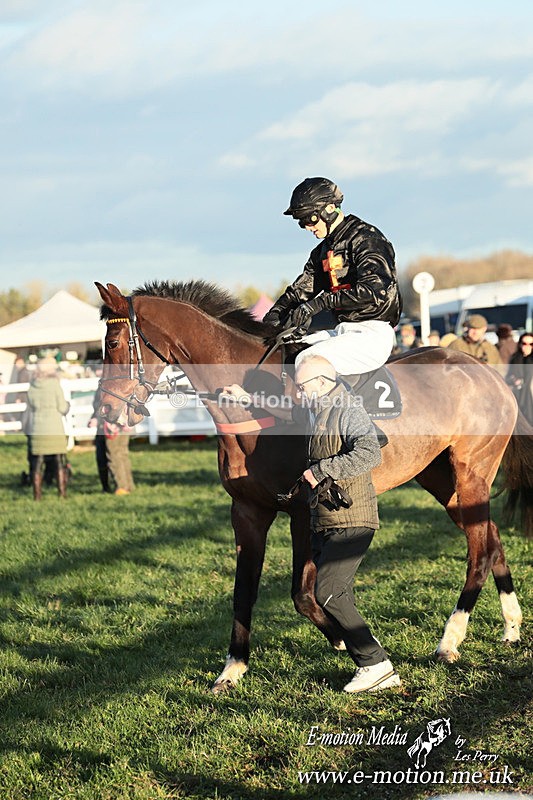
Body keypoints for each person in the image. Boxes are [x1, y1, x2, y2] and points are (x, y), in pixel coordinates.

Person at [222, 354, 401, 693]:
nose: (299, 392)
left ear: (322, 382)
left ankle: (376, 664)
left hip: (352, 517)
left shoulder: (348, 410)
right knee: (335, 592)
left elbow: (370, 452)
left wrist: (319, 471)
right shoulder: (317, 408)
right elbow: (288, 411)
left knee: (327, 592)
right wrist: (248, 400)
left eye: (302, 386)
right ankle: (368, 652)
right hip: (328, 517)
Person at [263, 177, 402, 376]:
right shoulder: (322, 251)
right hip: (343, 331)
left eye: (309, 219)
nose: (306, 227)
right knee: (287, 353)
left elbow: (374, 291)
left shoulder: (367, 238)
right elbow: (300, 292)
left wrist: (319, 304)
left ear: (329, 209)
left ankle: (347, 408)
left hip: (372, 333)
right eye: (300, 222)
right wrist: (274, 316)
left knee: (306, 361)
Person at [26, 356, 70, 500]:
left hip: (37, 428)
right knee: (58, 461)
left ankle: (37, 496)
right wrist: (68, 405)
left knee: (37, 463)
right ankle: (62, 493)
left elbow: (30, 407)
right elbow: (62, 407)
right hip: (54, 428)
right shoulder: (54, 384)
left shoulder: (32, 386)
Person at [89, 390, 135, 495]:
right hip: (111, 425)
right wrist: (95, 418)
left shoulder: (111, 383)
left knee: (115, 455)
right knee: (120, 455)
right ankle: (127, 485)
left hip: (114, 426)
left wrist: (116, 422)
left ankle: (122, 487)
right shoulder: (106, 383)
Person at [506, 332, 533, 424]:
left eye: (531, 344)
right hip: (518, 396)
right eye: (524, 343)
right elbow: (508, 376)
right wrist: (513, 379)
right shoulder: (515, 358)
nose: (527, 346)